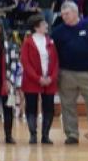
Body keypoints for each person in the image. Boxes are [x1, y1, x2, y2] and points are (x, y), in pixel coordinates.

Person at [51, 2, 88, 145]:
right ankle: (72, 134)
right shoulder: (57, 31)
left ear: (76, 13)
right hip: (66, 73)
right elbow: (54, 53)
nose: (64, 17)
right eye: (62, 14)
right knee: (67, 105)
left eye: (67, 14)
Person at [20, 15, 59, 144]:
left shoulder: (51, 41)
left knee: (49, 108)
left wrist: (51, 77)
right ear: (36, 27)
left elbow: (55, 62)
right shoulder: (28, 42)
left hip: (49, 81)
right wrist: (38, 78)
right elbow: (25, 62)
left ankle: (45, 135)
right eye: (43, 24)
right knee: (31, 107)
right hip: (32, 80)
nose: (46, 26)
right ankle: (33, 134)